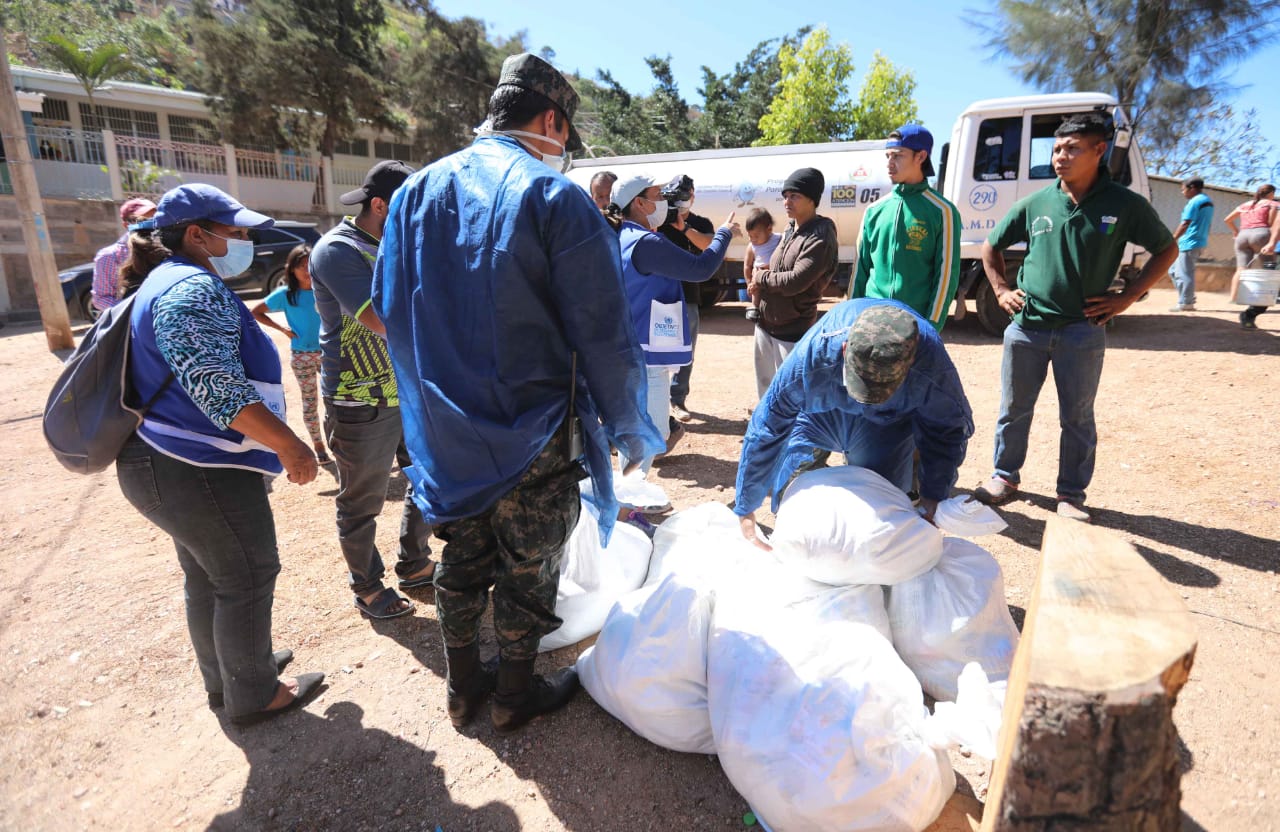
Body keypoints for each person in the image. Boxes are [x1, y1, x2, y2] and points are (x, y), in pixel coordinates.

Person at [373, 53, 665, 734]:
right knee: (529, 566)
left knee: (460, 557)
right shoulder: (553, 197)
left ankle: (460, 687)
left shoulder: (415, 192)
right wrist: (629, 427)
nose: (563, 150)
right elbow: (602, 334)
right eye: (564, 135)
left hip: (445, 428)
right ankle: (511, 696)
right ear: (550, 120)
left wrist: (431, 391)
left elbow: (386, 305)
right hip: (530, 431)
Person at [114, 184, 323, 725]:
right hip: (197, 466)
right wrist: (291, 445)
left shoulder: (167, 281)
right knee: (248, 574)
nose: (243, 239)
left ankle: (232, 676)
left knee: (209, 575)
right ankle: (255, 693)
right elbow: (218, 390)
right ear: (196, 234)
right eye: (234, 231)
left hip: (170, 461)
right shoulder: (190, 290)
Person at [972, 113, 1178, 522]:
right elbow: (990, 247)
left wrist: (1129, 296)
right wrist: (999, 290)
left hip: (1082, 331)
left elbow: (1166, 250)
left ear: (1099, 151)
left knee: (1078, 416)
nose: (1060, 158)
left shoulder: (1124, 204)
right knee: (1014, 409)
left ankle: (1070, 495)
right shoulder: (1037, 203)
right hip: (1027, 328)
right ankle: (1004, 477)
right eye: (1056, 150)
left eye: (1071, 149)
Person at [734, 300, 973, 548]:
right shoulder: (815, 355)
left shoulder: (931, 368)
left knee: (879, 515)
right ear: (845, 348)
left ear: (910, 364)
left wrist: (933, 495)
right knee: (792, 496)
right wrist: (746, 505)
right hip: (819, 415)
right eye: (862, 383)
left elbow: (947, 431)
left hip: (885, 423)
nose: (867, 399)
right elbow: (768, 427)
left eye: (881, 389)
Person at [309, 160, 436, 621]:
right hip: (359, 399)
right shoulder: (337, 250)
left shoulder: (401, 246)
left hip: (407, 389)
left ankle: (415, 563)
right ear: (380, 205)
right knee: (362, 501)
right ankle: (366, 586)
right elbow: (377, 318)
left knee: (427, 479)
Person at [607, 174, 739, 473]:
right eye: (657, 195)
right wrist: (724, 233)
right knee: (653, 434)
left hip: (634, 347)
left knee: (643, 432)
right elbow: (701, 268)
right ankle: (630, 502)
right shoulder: (647, 242)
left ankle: (629, 499)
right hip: (648, 357)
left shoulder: (623, 236)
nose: (664, 201)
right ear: (639, 203)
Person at [848, 125, 962, 332]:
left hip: (914, 327)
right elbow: (859, 272)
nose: (890, 164)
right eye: (888, 156)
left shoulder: (943, 212)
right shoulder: (874, 211)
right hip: (870, 324)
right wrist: (851, 320)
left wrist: (930, 328)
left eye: (898, 156)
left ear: (921, 157)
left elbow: (946, 278)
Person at [751, 167, 839, 398]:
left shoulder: (820, 235)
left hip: (792, 329)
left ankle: (788, 433)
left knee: (791, 395)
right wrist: (764, 277)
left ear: (812, 199)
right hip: (766, 323)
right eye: (785, 196)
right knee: (766, 388)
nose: (787, 202)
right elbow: (779, 268)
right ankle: (769, 431)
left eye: (794, 196)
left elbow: (794, 282)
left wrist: (761, 277)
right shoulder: (791, 228)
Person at [251, 244, 328, 463]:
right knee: (310, 401)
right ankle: (318, 444)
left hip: (328, 352)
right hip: (302, 356)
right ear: (291, 269)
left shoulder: (325, 289)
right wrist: (283, 330)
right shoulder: (286, 295)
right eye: (300, 266)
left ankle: (337, 442)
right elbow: (256, 312)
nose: (306, 271)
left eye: (309, 265)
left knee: (335, 399)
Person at [655, 175, 717, 424]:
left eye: (686, 195)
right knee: (658, 350)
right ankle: (658, 401)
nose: (682, 201)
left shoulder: (700, 222)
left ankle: (677, 399)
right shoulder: (659, 221)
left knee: (686, 353)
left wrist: (684, 228)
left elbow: (709, 245)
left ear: (693, 195)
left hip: (689, 296)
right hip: (660, 295)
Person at [1224, 184, 1278, 329]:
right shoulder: (1273, 204)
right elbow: (1273, 224)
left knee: (1242, 269)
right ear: (1271, 193)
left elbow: (1227, 219)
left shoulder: (1246, 205)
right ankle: (1254, 309)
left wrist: (1236, 232)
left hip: (1243, 235)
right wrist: (1272, 241)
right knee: (1268, 273)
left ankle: (1234, 298)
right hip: (1262, 235)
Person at [92, 197, 157, 312]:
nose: (152, 225)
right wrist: (132, 312)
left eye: (154, 219)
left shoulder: (166, 248)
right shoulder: (110, 256)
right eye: (143, 220)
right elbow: (100, 298)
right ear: (126, 225)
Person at [1166, 177, 1214, 313]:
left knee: (1183, 273)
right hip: (1198, 241)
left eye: (1183, 189)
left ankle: (1186, 302)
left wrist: (1173, 238)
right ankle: (1187, 298)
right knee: (1174, 271)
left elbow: (1185, 223)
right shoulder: (1207, 200)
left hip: (1190, 241)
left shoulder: (1195, 202)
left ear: (1192, 188)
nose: (1183, 193)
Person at [742, 208, 780, 323]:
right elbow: (747, 265)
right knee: (755, 288)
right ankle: (755, 307)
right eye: (750, 236)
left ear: (769, 229)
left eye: (756, 236)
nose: (753, 239)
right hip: (758, 275)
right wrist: (749, 282)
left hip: (774, 275)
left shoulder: (779, 239)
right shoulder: (751, 246)